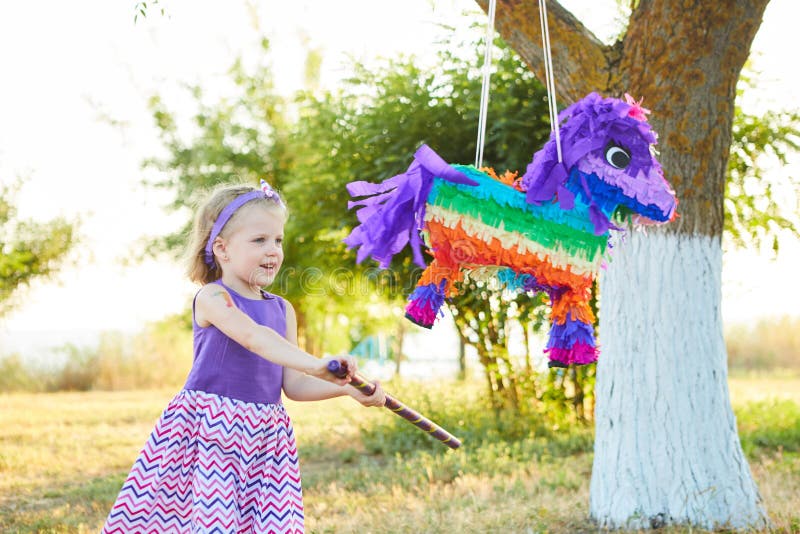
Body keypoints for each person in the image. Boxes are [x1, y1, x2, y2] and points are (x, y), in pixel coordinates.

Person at [101, 180, 386, 533]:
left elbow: (293, 385)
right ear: (222, 248)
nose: (273, 251)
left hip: (265, 441)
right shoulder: (213, 298)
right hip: (212, 433)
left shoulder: (283, 310)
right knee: (212, 523)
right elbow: (253, 337)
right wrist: (315, 363)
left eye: (278, 240)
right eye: (259, 240)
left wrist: (345, 389)